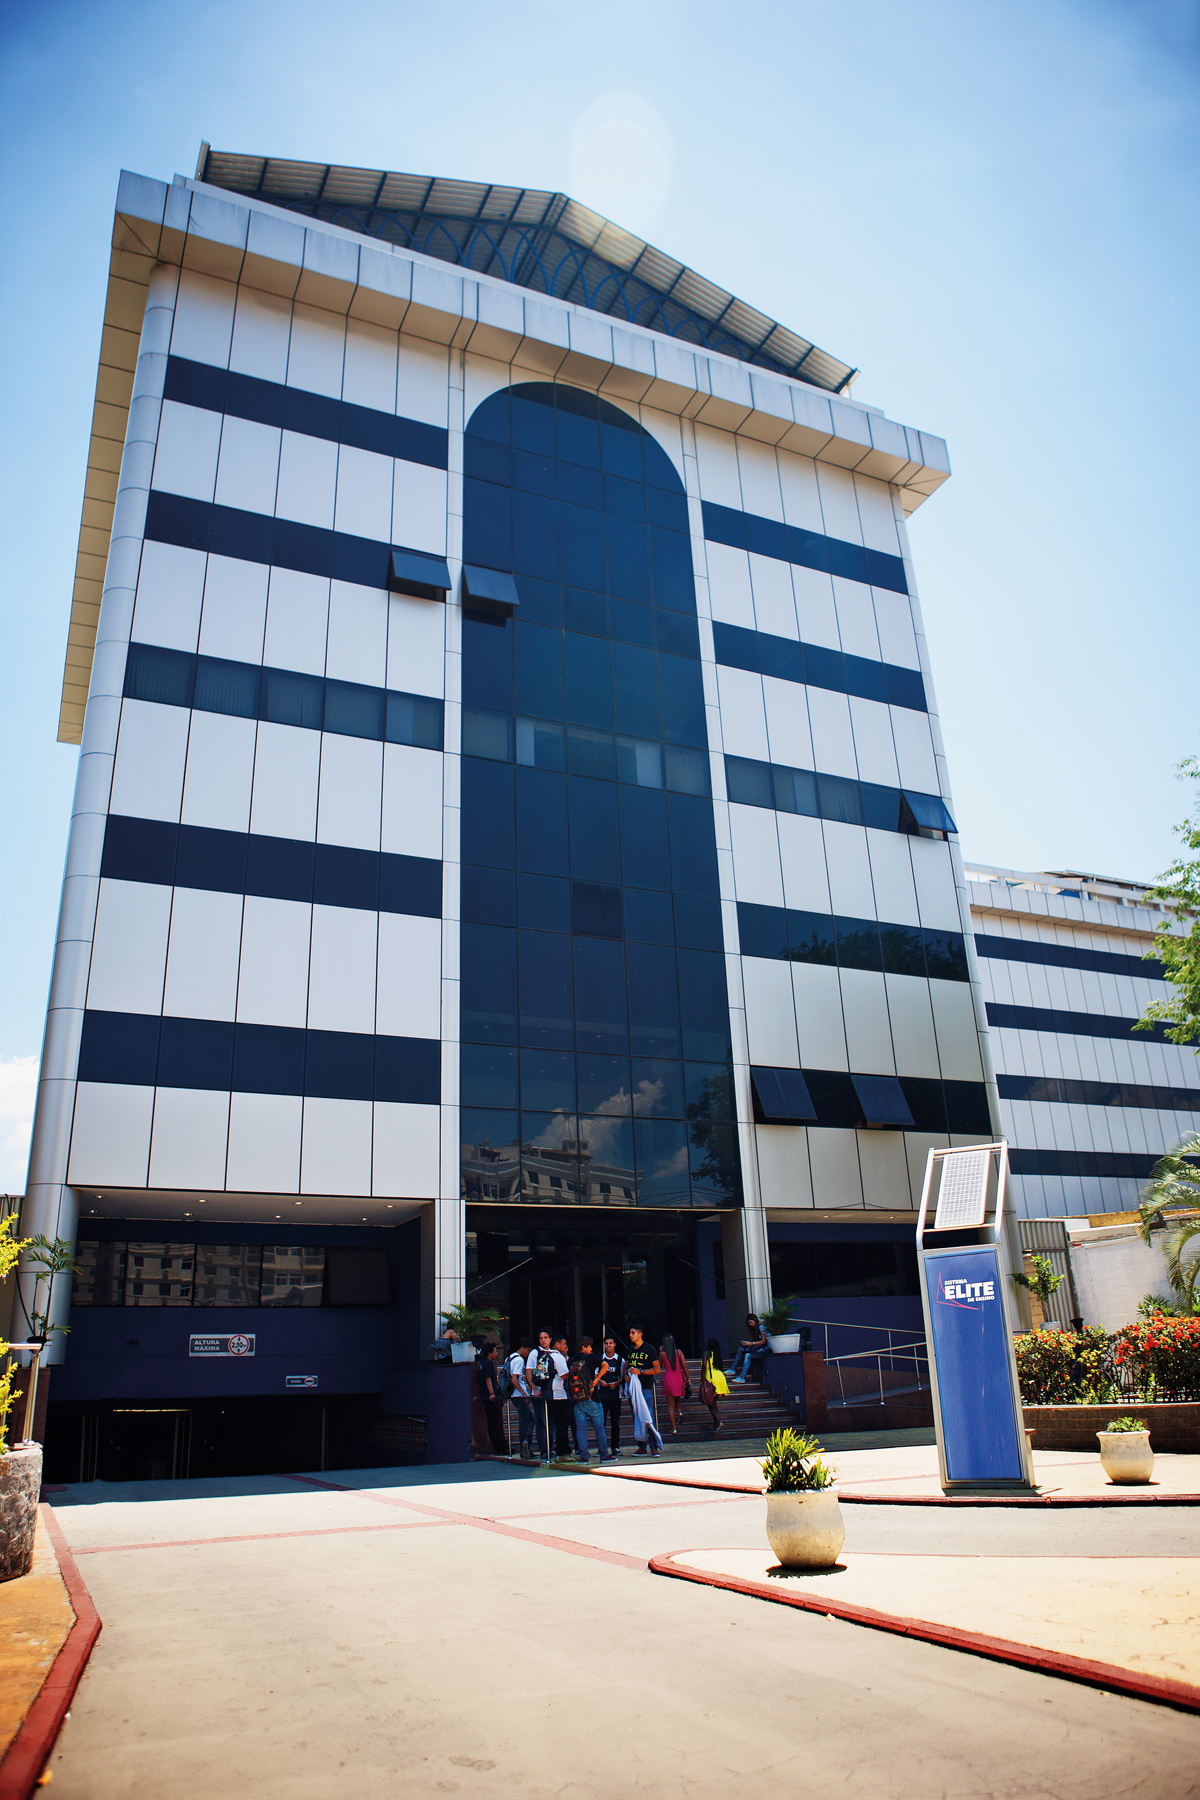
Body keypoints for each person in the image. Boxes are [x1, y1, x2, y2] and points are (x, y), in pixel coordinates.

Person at [569, 1335, 610, 1462]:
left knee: (580, 1429)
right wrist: (596, 1380)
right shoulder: (591, 1358)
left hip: (577, 1398)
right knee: (599, 1427)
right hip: (592, 1397)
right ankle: (604, 1455)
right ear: (584, 1347)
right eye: (589, 1347)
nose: (591, 1349)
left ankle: (584, 1456)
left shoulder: (571, 1360)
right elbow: (605, 1365)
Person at [626, 1325, 662, 1456]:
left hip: (645, 1387)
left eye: (633, 1332)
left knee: (648, 1416)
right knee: (637, 1416)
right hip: (633, 1388)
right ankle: (641, 1446)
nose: (630, 1335)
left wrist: (640, 1371)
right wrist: (625, 1375)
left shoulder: (649, 1348)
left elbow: (657, 1369)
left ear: (640, 1334)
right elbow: (626, 1365)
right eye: (630, 1332)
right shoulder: (630, 1349)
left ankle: (653, 1446)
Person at [507, 1335, 539, 1462]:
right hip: (518, 1395)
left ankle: (525, 1446)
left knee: (528, 1419)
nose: (528, 1353)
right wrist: (524, 1393)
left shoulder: (509, 1357)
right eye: (528, 1350)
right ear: (522, 1348)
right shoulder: (519, 1360)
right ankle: (525, 1444)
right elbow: (514, 1379)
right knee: (526, 1421)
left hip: (513, 1395)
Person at [525, 1329, 556, 1462]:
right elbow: (528, 1373)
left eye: (545, 1337)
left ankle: (551, 1448)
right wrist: (534, 1389)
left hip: (552, 1393)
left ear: (550, 1339)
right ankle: (544, 1451)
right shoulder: (534, 1353)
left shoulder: (554, 1353)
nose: (543, 1340)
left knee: (552, 1423)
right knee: (541, 1422)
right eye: (541, 1338)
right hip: (538, 1393)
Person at [595, 1335, 626, 1457]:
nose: (608, 1346)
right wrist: (600, 1381)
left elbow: (623, 1376)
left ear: (614, 1344)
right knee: (601, 1423)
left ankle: (615, 1447)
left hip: (615, 1395)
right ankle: (601, 1448)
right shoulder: (600, 1359)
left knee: (615, 1422)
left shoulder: (620, 1360)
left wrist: (617, 1383)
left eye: (610, 1343)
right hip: (602, 1394)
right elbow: (595, 1375)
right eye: (606, 1343)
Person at [478, 1342, 507, 1455]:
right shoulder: (488, 1363)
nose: (496, 1353)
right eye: (495, 1351)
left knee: (491, 1423)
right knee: (497, 1422)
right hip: (491, 1397)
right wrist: (492, 1393)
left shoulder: (481, 1364)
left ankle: (497, 1447)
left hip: (485, 1397)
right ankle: (503, 1447)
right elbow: (488, 1379)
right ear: (489, 1353)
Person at [548, 1335, 574, 1460]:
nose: (566, 1346)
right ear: (557, 1344)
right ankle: (561, 1453)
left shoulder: (547, 1356)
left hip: (549, 1393)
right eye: (564, 1344)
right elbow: (564, 1375)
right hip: (560, 1394)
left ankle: (565, 1450)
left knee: (559, 1424)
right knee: (562, 1425)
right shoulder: (558, 1357)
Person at [659, 1334, 689, 1435]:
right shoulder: (679, 1352)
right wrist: (688, 1378)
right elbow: (684, 1366)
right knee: (677, 1398)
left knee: (670, 1405)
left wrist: (660, 1352)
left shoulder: (663, 1354)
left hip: (669, 1378)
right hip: (679, 1377)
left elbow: (659, 1367)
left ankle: (674, 1428)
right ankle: (680, 1412)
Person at [699, 1337, 729, 1432]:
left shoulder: (706, 1354)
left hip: (711, 1378)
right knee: (713, 1402)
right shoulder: (717, 1354)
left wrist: (701, 1378)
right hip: (720, 1377)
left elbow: (704, 1366)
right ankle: (715, 1424)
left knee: (710, 1403)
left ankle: (719, 1422)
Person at [730, 1313, 768, 1382]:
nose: (750, 1324)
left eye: (751, 1322)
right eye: (749, 1323)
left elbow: (764, 1341)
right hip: (758, 1347)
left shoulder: (761, 1327)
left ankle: (742, 1377)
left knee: (748, 1355)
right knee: (741, 1349)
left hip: (765, 1349)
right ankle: (732, 1369)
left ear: (755, 1320)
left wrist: (751, 1343)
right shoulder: (754, 1329)